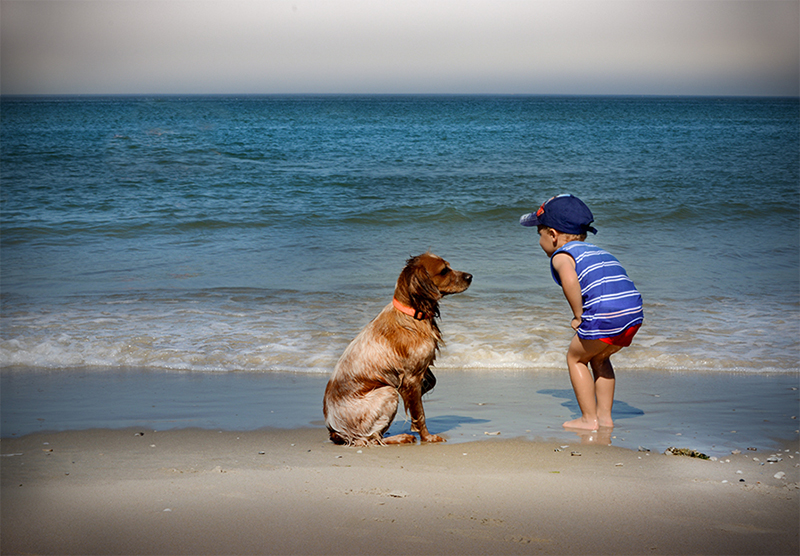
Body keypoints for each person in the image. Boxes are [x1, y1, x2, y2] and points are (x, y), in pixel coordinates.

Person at [520, 194, 643, 431]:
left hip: (605, 313)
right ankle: (605, 418)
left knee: (575, 358)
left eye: (540, 234)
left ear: (553, 235)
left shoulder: (562, 256)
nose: (539, 241)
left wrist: (578, 315)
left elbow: (569, 280)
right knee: (600, 357)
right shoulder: (597, 252)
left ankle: (589, 419)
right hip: (633, 312)